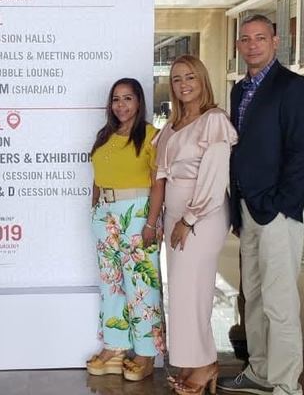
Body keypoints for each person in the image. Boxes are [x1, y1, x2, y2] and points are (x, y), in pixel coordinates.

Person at [218, 15, 304, 395]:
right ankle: (259, 371)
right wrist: (237, 205)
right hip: (248, 209)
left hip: (278, 211)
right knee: (254, 300)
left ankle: (286, 384)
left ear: (276, 41)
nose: (252, 45)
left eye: (260, 38)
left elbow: (303, 153)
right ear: (239, 46)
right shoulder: (240, 90)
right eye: (245, 39)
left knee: (279, 302)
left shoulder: (293, 87)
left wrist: (281, 204)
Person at [153, 55, 237, 395]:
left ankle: (205, 365)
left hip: (202, 217)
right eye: (176, 79)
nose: (184, 84)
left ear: (202, 79)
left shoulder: (213, 119)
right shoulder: (171, 126)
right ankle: (190, 361)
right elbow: (159, 176)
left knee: (197, 291)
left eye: (190, 77)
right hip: (175, 217)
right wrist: (160, 219)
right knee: (182, 293)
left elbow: (215, 178)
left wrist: (188, 219)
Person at [86, 78, 165, 381]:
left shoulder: (151, 136)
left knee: (142, 286)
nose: (121, 105)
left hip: (136, 215)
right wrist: (94, 208)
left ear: (138, 102)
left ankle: (145, 353)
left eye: (127, 98)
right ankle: (115, 347)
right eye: (116, 99)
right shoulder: (104, 135)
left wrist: (151, 222)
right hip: (104, 216)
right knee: (111, 284)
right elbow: (97, 177)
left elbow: (159, 184)